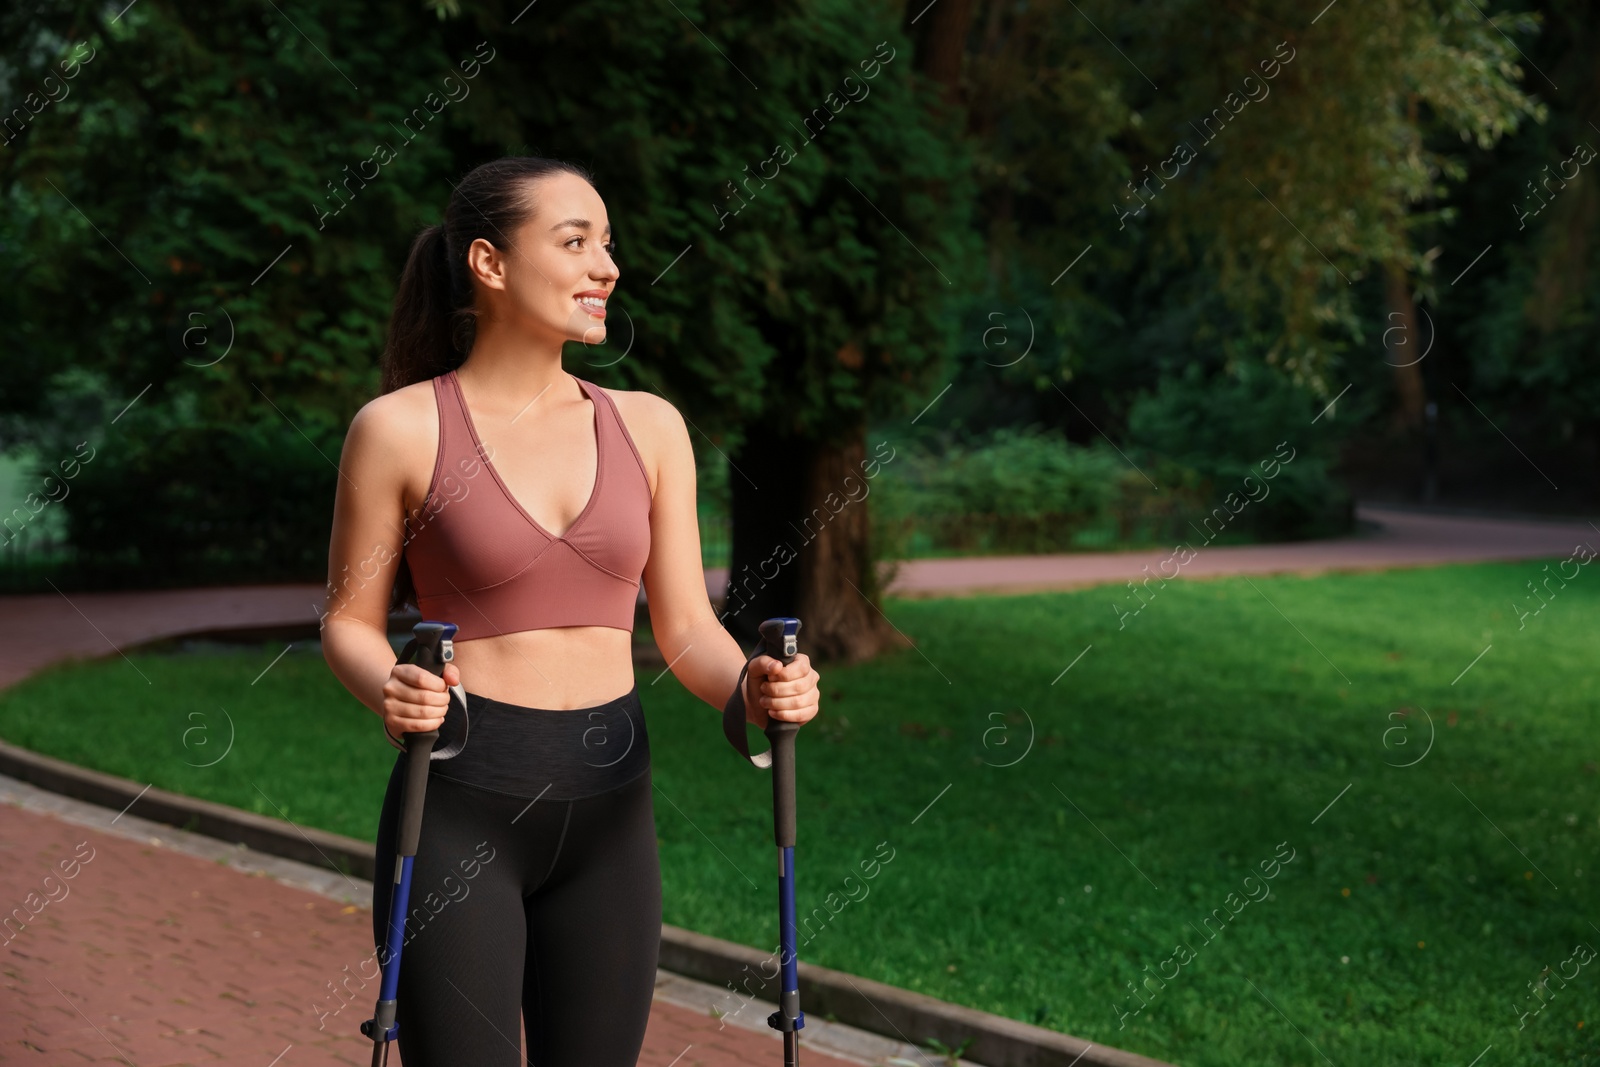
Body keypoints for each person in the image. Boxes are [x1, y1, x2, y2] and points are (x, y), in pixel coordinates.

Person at [320, 155, 821, 1066]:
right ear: (490, 262)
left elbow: (686, 630)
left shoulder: (650, 425)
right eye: (575, 240)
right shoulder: (399, 428)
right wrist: (387, 684)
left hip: (611, 813)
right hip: (461, 796)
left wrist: (752, 687)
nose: (608, 267)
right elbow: (347, 622)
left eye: (609, 244)